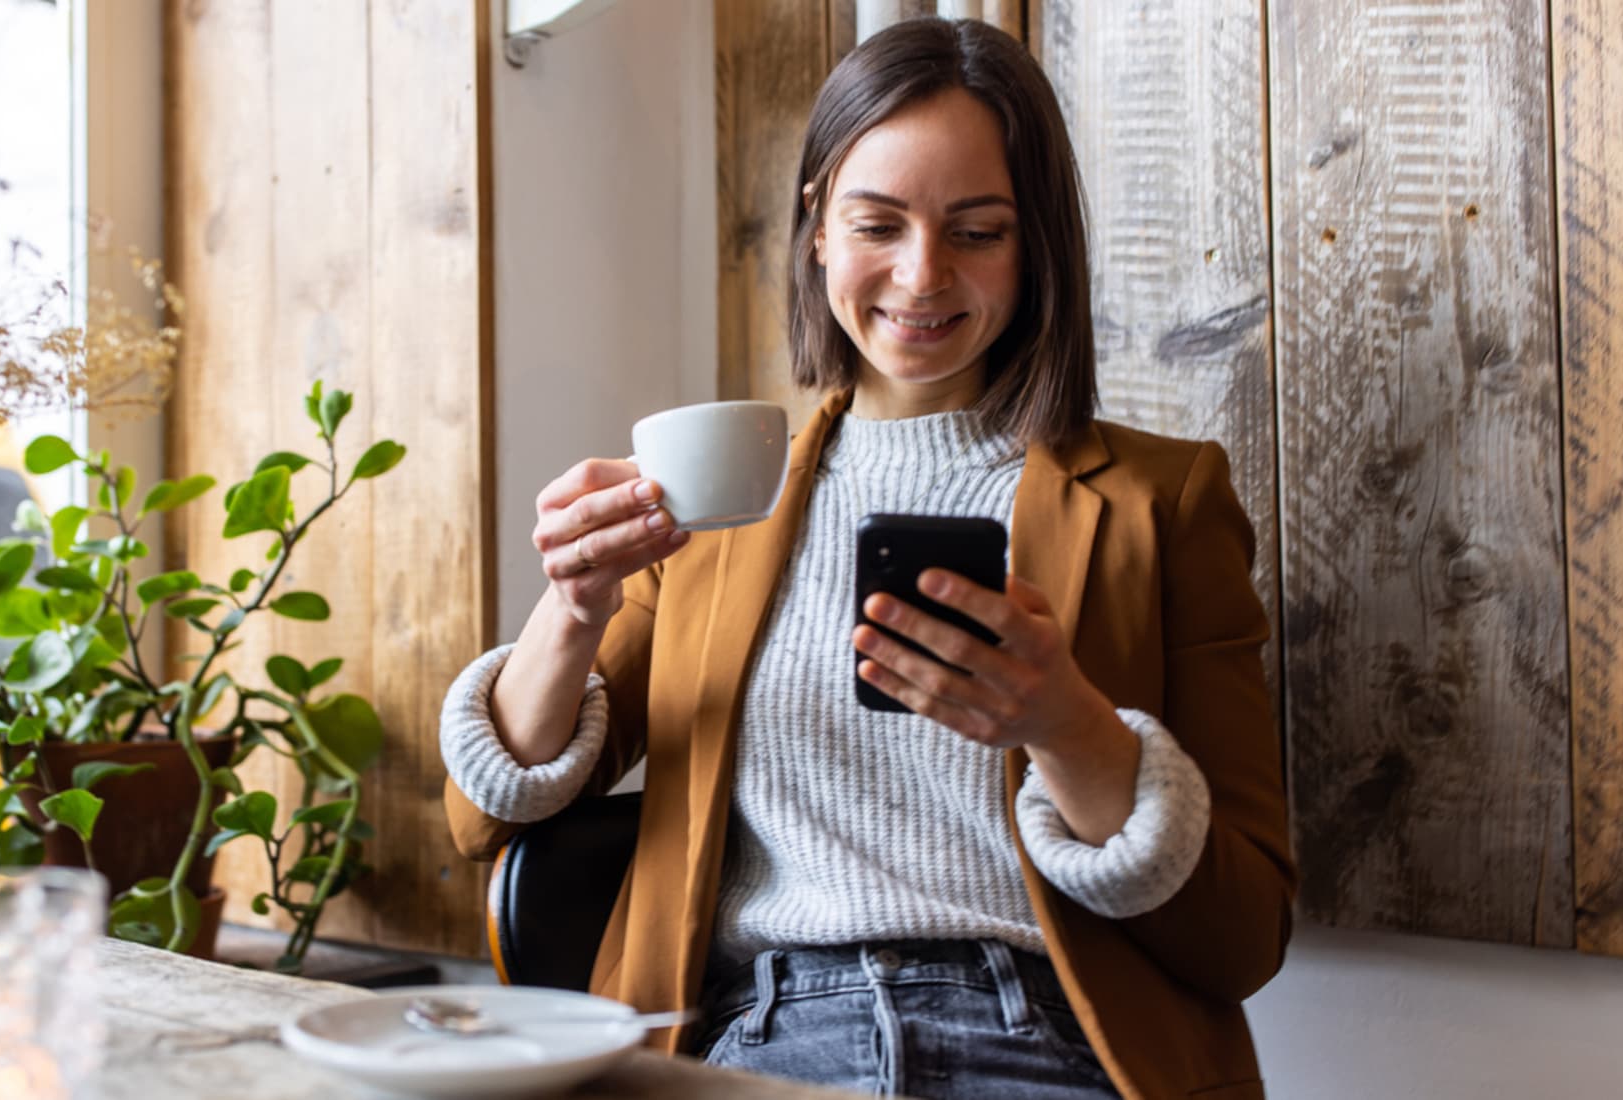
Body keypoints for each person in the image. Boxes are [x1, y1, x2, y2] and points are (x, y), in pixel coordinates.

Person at [440, 17, 1293, 1100]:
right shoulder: (714, 506)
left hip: (1044, 1040)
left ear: (1036, 246)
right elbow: (485, 820)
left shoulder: (1159, 503)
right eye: (876, 223)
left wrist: (1065, 723)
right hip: (767, 1032)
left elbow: (1245, 934)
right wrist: (571, 606)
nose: (921, 275)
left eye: (977, 231)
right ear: (817, 231)